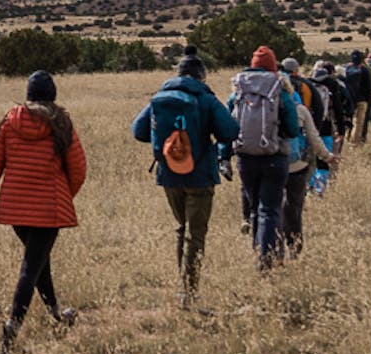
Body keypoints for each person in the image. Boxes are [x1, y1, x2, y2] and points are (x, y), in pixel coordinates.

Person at [0, 71, 88, 354]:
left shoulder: (9, 123)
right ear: (53, 95)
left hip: (16, 210)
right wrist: (64, 195)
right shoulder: (61, 122)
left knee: (38, 263)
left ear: (28, 94)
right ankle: (12, 327)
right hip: (49, 208)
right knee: (31, 267)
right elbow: (78, 169)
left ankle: (56, 313)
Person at [133, 54, 238, 309]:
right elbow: (231, 131)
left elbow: (138, 130)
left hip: (169, 174)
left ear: (178, 73)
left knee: (182, 227)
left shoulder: (161, 96)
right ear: (202, 75)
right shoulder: (206, 98)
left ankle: (183, 285)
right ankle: (188, 291)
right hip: (200, 175)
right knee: (196, 233)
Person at [224, 47, 303, 273]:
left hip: (246, 158)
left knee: (255, 207)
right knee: (269, 208)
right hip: (275, 157)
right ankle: (266, 258)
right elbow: (292, 128)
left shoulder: (238, 87)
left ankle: (257, 249)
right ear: (271, 65)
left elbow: (228, 121)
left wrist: (226, 154)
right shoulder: (279, 87)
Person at [277, 61, 327, 260]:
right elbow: (316, 126)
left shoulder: (260, 102)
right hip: (297, 162)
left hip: (269, 161)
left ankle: (274, 249)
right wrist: (326, 155)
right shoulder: (300, 101)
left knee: (272, 206)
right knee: (295, 206)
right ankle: (294, 248)